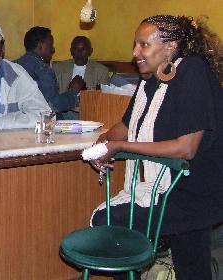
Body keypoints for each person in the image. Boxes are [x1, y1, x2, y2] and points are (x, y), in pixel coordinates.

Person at [88, 15, 223, 280]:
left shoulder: (192, 71)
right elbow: (124, 126)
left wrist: (119, 146)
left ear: (170, 47)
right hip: (172, 184)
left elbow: (186, 149)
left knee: (110, 219)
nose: (135, 53)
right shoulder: (150, 79)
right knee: (192, 263)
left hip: (196, 192)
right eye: (135, 45)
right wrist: (102, 143)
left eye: (143, 45)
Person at [15, 27, 86, 119]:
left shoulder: (14, 65)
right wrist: (73, 90)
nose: (53, 49)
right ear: (41, 45)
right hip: (39, 123)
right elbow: (52, 106)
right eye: (50, 45)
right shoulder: (42, 69)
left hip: (18, 120)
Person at [53, 36, 109, 119]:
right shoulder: (59, 68)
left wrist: (85, 93)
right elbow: (55, 97)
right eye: (76, 49)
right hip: (65, 112)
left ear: (90, 51)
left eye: (83, 49)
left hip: (89, 113)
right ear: (71, 51)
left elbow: (102, 101)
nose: (79, 53)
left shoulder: (101, 71)